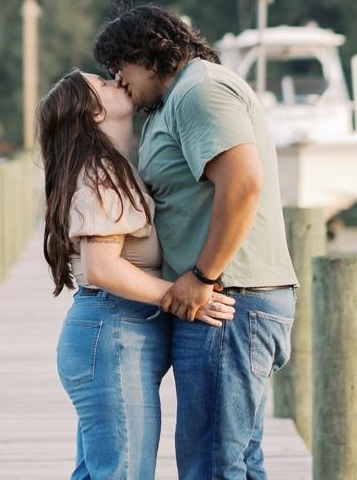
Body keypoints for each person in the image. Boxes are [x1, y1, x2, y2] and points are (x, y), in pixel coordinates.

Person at [93, 4, 297, 480]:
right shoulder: (181, 98)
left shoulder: (200, 92)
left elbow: (244, 183)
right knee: (237, 463)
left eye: (117, 67)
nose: (116, 80)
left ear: (145, 55)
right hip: (233, 302)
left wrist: (202, 276)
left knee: (211, 465)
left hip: (229, 302)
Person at [36, 68, 237, 480]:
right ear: (92, 113)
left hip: (113, 335)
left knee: (102, 472)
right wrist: (185, 296)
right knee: (123, 472)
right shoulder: (104, 174)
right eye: (103, 84)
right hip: (111, 335)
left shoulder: (118, 168)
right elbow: (101, 267)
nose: (115, 79)